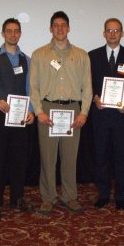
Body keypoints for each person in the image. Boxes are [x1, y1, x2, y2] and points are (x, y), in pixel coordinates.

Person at [30, 11, 92, 215]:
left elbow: (87, 87)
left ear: (69, 28)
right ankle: (48, 197)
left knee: (70, 157)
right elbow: (34, 87)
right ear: (50, 28)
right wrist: (38, 111)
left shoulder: (82, 55)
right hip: (47, 110)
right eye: (56, 25)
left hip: (73, 111)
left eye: (63, 25)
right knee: (48, 158)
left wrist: (83, 112)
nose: (59, 28)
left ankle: (69, 196)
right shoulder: (39, 54)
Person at [0, 18, 34, 221]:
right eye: (9, 31)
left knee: (19, 159)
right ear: (3, 33)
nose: (13, 34)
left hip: (20, 118)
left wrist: (31, 111)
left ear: (20, 34)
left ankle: (17, 198)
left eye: (16, 31)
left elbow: (29, 89)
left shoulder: (26, 60)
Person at [88, 18, 124, 210]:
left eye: (116, 30)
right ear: (104, 33)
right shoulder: (92, 56)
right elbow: (88, 82)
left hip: (122, 116)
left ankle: (120, 196)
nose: (112, 34)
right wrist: (94, 97)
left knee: (121, 157)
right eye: (109, 30)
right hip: (100, 115)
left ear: (122, 33)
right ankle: (103, 194)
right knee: (101, 157)